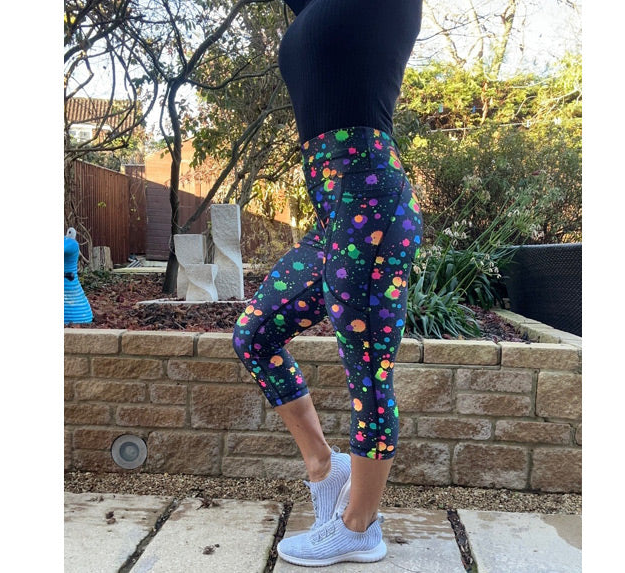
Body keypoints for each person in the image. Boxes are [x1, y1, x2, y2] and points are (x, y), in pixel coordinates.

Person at [232, 0, 423, 566]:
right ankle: (324, 465)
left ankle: (359, 526)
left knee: (369, 375)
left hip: (372, 203)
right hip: (333, 214)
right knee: (254, 335)